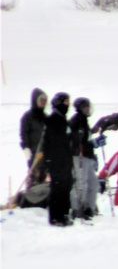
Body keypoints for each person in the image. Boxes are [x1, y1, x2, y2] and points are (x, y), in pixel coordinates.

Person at [40, 92, 74, 226]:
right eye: (65, 102)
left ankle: (64, 214)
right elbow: (50, 143)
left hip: (65, 160)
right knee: (58, 188)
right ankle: (55, 217)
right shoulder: (53, 120)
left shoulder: (63, 119)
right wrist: (49, 161)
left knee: (66, 186)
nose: (68, 105)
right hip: (56, 161)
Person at [69, 97, 105, 220]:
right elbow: (77, 140)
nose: (88, 109)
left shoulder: (84, 121)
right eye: (85, 107)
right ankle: (77, 208)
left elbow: (86, 138)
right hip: (79, 156)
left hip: (88, 156)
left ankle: (89, 207)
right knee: (80, 183)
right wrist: (91, 143)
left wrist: (94, 143)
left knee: (93, 183)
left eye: (88, 107)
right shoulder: (76, 121)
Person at [20, 87, 48, 183]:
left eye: (45, 101)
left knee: (46, 181)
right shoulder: (27, 117)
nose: (43, 103)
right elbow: (24, 133)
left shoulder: (46, 118)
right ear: (35, 101)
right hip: (34, 155)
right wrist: (26, 147)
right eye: (41, 100)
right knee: (34, 179)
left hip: (46, 155)